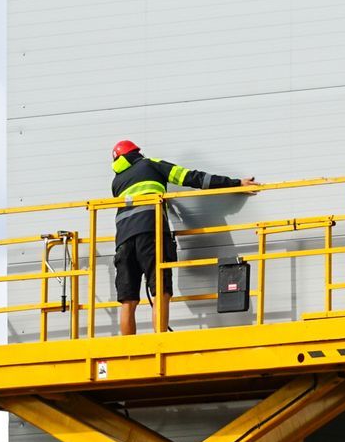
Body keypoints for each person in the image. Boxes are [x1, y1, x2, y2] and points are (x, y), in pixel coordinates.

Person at [108, 140, 257, 335]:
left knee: (128, 300)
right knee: (160, 291)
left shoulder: (117, 182)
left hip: (123, 242)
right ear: (136, 153)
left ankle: (127, 351)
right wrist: (235, 183)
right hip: (151, 234)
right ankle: (159, 342)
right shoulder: (150, 164)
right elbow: (192, 178)